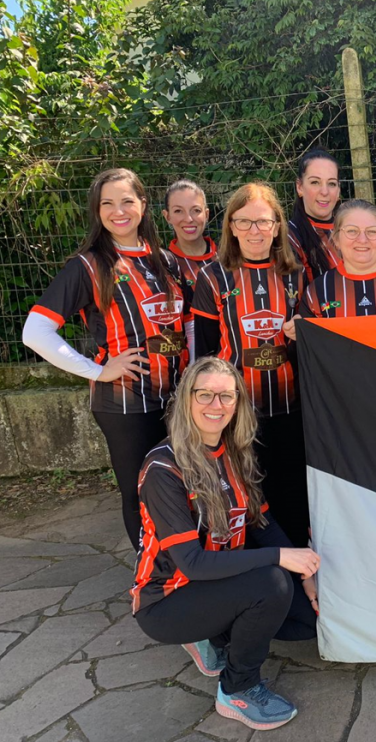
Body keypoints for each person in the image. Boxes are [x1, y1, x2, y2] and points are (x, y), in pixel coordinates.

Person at [132, 356, 319, 730]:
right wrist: (283, 559)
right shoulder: (163, 469)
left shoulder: (234, 452)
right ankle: (237, 688)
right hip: (166, 601)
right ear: (186, 400)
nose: (216, 406)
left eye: (227, 397)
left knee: (308, 621)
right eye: (205, 395)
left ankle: (213, 635)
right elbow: (193, 564)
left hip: (213, 586)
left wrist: (307, 577)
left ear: (238, 403)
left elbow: (260, 522)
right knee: (270, 583)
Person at [23, 168, 187, 550]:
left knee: (178, 484)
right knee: (140, 489)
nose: (119, 211)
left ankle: (183, 563)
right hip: (125, 404)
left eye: (127, 201)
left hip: (176, 400)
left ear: (143, 205)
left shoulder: (165, 260)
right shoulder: (87, 265)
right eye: (107, 203)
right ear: (97, 211)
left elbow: (187, 327)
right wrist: (98, 369)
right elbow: (35, 332)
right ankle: (150, 575)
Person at [191, 183, 310, 548]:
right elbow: (205, 352)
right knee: (247, 494)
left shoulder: (297, 273)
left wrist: (301, 332)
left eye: (263, 221)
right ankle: (256, 569)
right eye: (244, 222)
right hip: (236, 410)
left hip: (290, 407)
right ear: (230, 226)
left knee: (292, 492)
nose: (254, 231)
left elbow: (315, 343)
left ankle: (299, 570)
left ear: (277, 226)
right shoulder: (213, 276)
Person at [162, 179, 217, 362]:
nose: (189, 219)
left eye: (196, 210)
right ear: (167, 216)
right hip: (182, 370)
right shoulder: (162, 266)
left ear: (207, 214)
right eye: (178, 211)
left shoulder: (227, 259)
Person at [287, 149, 342, 281]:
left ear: (338, 190)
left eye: (331, 184)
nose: (324, 192)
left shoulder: (352, 229)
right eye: (315, 182)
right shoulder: (288, 237)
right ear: (299, 187)